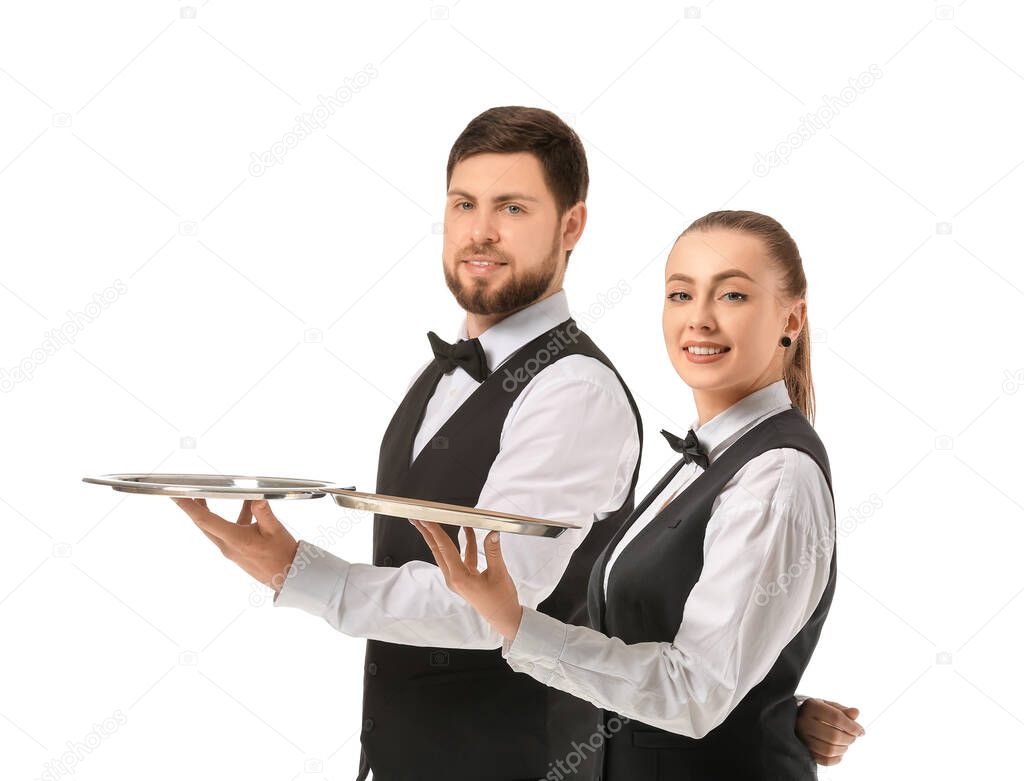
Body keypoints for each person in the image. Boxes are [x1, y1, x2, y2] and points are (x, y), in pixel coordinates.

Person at [172, 110, 862, 780]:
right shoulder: (451, 376)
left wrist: (299, 570)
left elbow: (508, 608)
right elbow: (646, 631)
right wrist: (774, 707)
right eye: (464, 203)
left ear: (572, 226)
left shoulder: (585, 394)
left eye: (511, 208)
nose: (480, 231)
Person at [413, 209, 860, 779]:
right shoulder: (708, 457)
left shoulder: (776, 476)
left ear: (790, 319)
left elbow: (696, 693)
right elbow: (704, 666)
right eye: (680, 294)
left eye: (732, 297)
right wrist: (777, 709)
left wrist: (515, 622)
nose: (699, 320)